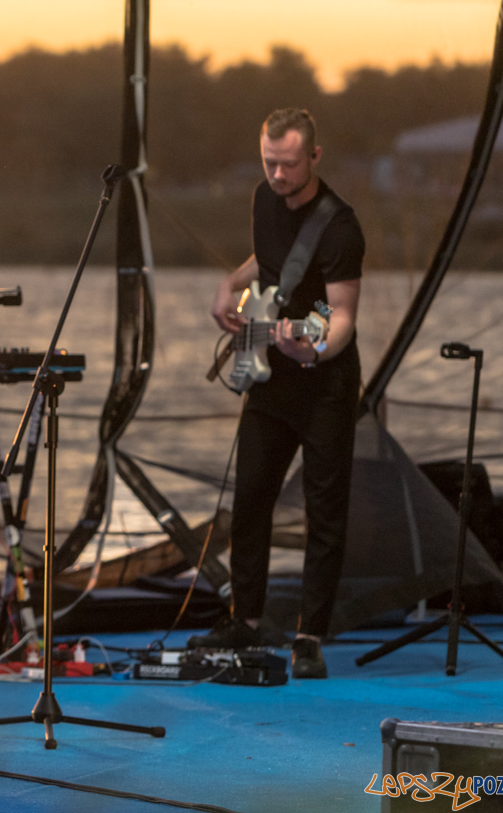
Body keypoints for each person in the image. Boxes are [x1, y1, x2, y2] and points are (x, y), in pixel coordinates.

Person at [193, 108, 364, 680]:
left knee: (324, 511)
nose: (278, 174)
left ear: (314, 157)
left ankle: (309, 637)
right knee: (250, 502)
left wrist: (311, 347)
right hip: (270, 375)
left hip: (324, 384)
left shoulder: (341, 227)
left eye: (289, 164)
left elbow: (340, 315)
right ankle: (246, 620)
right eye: (270, 162)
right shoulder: (263, 199)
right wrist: (231, 285)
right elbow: (271, 261)